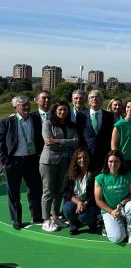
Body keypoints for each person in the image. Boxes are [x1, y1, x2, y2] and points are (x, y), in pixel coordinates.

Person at [0, 95, 44, 230]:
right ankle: (16, 219)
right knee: (14, 192)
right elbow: (0, 144)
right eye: (22, 105)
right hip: (13, 161)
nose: (26, 107)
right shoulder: (7, 122)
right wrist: (4, 163)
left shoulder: (36, 120)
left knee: (35, 189)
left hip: (32, 160)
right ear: (15, 107)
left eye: (27, 104)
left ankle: (37, 215)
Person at [40, 100, 78, 232]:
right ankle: (45, 219)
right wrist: (67, 143)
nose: (62, 112)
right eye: (60, 110)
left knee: (59, 191)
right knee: (48, 191)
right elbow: (48, 143)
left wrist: (57, 141)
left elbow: (75, 142)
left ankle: (55, 216)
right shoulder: (47, 123)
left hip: (65, 161)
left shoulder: (71, 126)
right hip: (49, 161)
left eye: (65, 110)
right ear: (55, 111)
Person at [94, 150, 131, 244]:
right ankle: (107, 226)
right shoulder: (100, 178)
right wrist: (111, 211)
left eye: (116, 161)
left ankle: (130, 230)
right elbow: (98, 200)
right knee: (118, 238)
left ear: (121, 162)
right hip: (109, 210)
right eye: (111, 161)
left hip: (122, 207)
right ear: (107, 162)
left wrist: (122, 203)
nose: (113, 164)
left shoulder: (129, 175)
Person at [62, 148, 98, 235]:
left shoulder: (95, 173)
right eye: (79, 158)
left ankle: (91, 222)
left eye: (85, 157)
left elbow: (96, 193)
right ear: (76, 159)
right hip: (75, 202)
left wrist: (85, 203)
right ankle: (74, 224)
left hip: (90, 203)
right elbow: (65, 191)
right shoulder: (70, 172)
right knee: (67, 209)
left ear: (89, 158)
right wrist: (78, 202)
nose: (82, 160)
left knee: (84, 217)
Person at [77, 90, 114, 173]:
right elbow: (79, 134)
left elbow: (110, 135)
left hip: (104, 154)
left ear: (102, 100)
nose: (94, 99)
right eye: (92, 97)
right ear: (88, 101)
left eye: (97, 97)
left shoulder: (109, 116)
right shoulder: (81, 115)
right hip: (87, 154)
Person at [111, 100, 131, 196]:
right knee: (122, 184)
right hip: (123, 160)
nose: (130, 109)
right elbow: (113, 144)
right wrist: (116, 159)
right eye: (128, 107)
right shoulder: (119, 125)